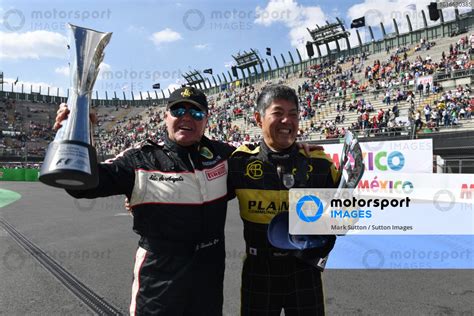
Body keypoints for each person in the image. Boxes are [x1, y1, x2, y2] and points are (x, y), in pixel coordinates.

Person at [55, 86, 235, 315]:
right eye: (178, 110)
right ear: (165, 116)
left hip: (208, 283)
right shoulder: (140, 158)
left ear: (206, 120)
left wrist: (296, 150)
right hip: (159, 285)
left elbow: (264, 162)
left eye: (197, 113)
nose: (187, 117)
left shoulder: (225, 155)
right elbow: (81, 186)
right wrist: (69, 135)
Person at [228, 85, 340, 315]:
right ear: (258, 119)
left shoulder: (320, 164)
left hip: (304, 269)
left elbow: (346, 216)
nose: (287, 120)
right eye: (278, 113)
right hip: (259, 271)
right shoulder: (239, 163)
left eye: (293, 114)